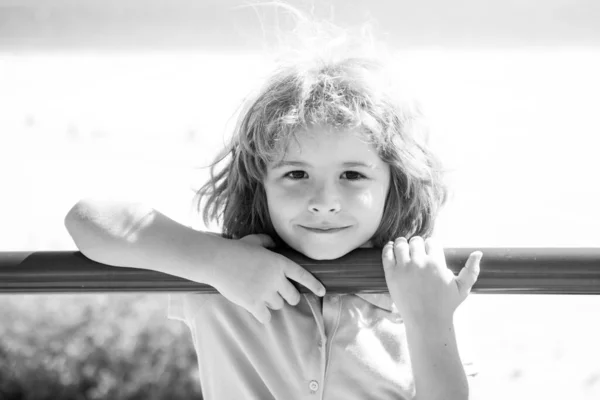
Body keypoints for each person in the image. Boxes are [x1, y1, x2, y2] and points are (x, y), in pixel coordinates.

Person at [64, 12, 483, 400]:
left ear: (397, 183)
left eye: (352, 175)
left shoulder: (425, 293)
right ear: (258, 184)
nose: (323, 202)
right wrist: (214, 261)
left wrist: (429, 321)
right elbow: (88, 220)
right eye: (296, 174)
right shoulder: (222, 279)